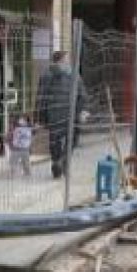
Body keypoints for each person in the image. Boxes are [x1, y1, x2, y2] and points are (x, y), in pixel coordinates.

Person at [35, 49, 88, 178]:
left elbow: (41, 97)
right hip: (66, 115)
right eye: (67, 60)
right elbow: (83, 95)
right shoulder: (70, 75)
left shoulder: (51, 75)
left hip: (61, 115)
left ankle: (58, 161)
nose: (69, 62)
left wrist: (40, 118)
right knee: (68, 140)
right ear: (60, 61)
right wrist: (81, 111)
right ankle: (61, 161)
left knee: (59, 140)